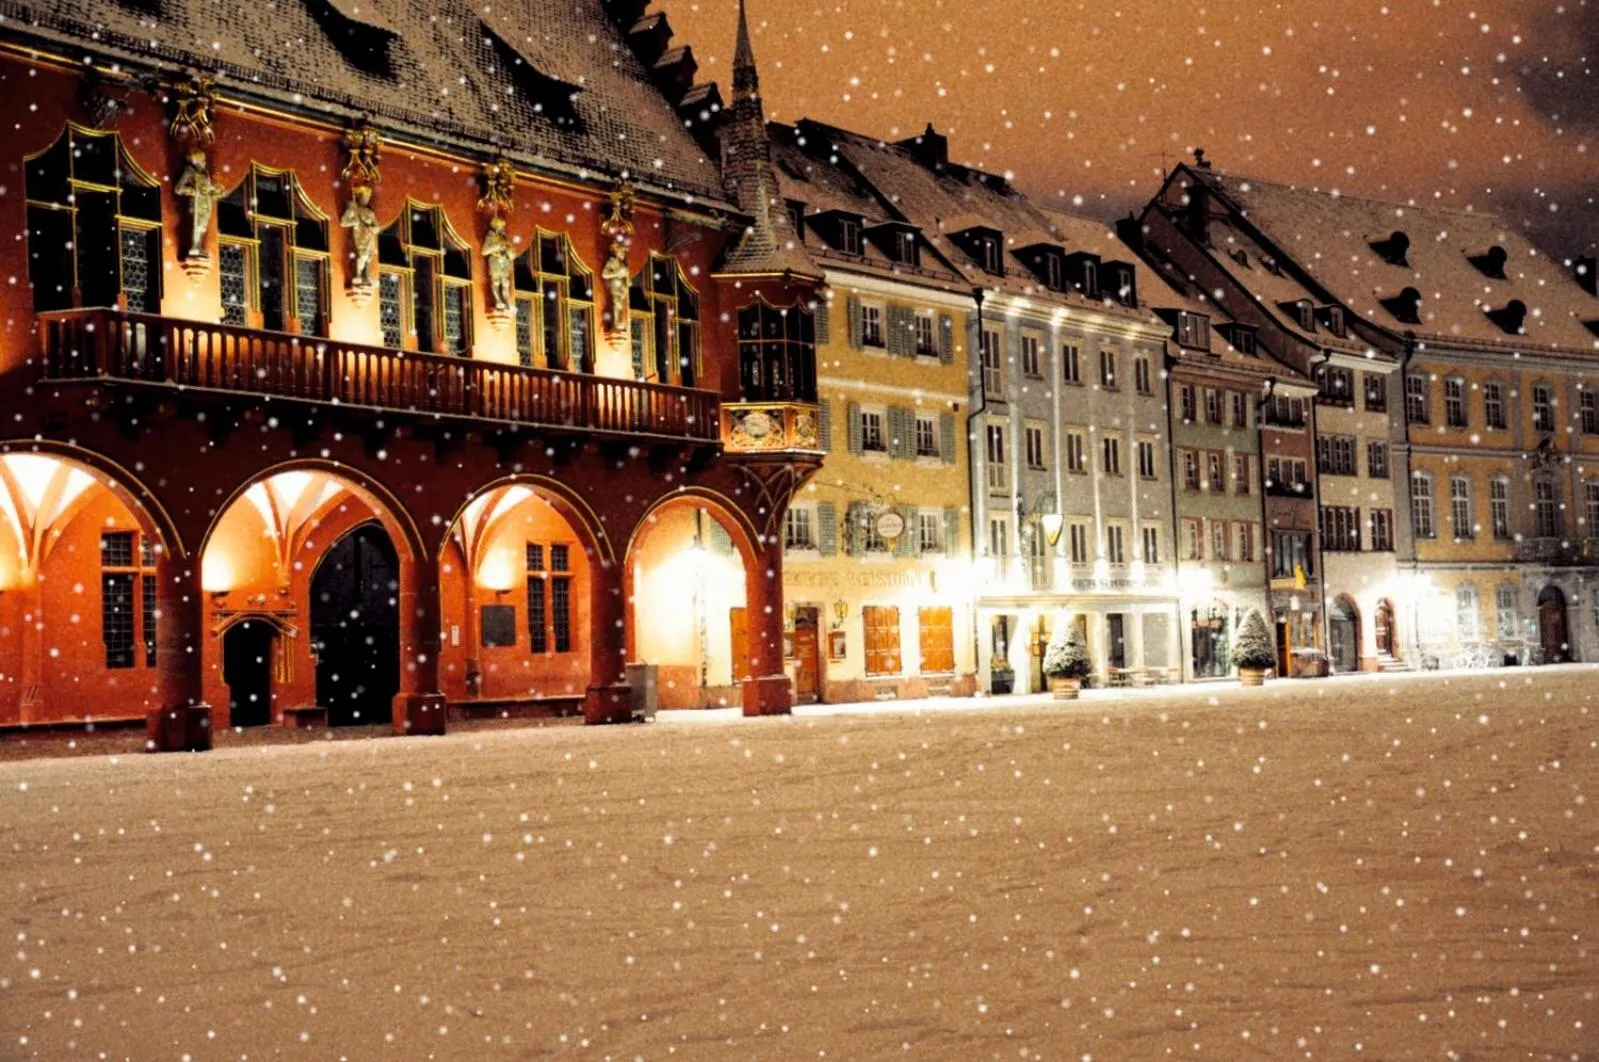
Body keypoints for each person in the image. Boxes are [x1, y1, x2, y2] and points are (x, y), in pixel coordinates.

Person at [174, 149, 222, 260]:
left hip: (205, 202)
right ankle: (195, 246)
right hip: (195, 202)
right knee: (197, 225)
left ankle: (198, 245)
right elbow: (178, 188)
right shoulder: (190, 171)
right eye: (202, 159)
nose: (204, 161)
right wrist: (194, 191)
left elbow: (206, 188)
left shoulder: (204, 172)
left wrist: (212, 191)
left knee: (203, 226)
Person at [340, 185, 380, 287]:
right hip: (359, 235)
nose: (366, 199)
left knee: (369, 257)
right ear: (358, 197)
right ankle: (358, 275)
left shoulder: (370, 212)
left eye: (368, 197)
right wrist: (355, 221)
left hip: (369, 236)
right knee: (361, 256)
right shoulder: (353, 208)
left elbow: (377, 226)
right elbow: (343, 222)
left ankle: (366, 276)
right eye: (364, 197)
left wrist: (373, 228)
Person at [482, 215, 514, 311]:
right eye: (499, 227)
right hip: (495, 260)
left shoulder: (504, 238)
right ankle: (498, 300)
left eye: (502, 227)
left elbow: (511, 253)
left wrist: (510, 251)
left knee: (505, 283)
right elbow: (484, 251)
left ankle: (507, 302)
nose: (501, 229)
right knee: (496, 282)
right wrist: (496, 245)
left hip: (504, 261)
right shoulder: (490, 237)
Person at [601, 239, 630, 332]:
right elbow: (604, 274)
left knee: (620, 304)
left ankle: (619, 321)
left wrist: (627, 280)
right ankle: (616, 323)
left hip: (622, 285)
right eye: (621, 252)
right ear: (616, 252)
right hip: (615, 283)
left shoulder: (623, 264)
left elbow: (626, 276)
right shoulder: (612, 261)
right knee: (616, 302)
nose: (623, 254)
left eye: (623, 252)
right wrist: (617, 273)